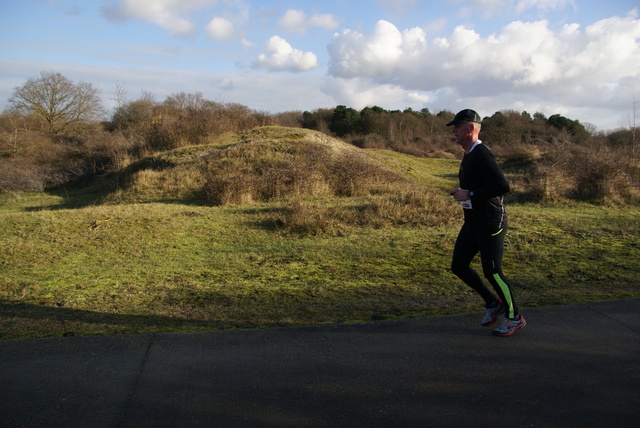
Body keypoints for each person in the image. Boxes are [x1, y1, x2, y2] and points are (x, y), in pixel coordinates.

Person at [447, 109, 526, 337]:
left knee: (493, 272)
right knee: (459, 266)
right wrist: (464, 192)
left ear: (470, 128)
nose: (454, 130)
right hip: (473, 221)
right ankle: (493, 303)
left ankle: (514, 317)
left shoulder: (482, 153)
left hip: (491, 222)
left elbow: (502, 186)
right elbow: (481, 185)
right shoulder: (469, 153)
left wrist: (470, 193)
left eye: (458, 126)